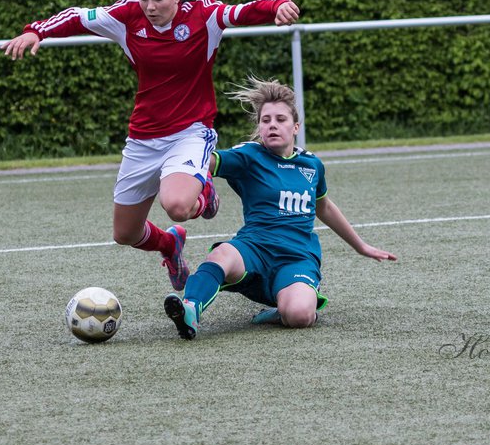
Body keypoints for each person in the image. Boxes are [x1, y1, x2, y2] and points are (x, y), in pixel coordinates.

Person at [3, 0, 299, 289]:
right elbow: (76, 16)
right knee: (125, 233)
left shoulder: (205, 15)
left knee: (176, 205)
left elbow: (244, 11)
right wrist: (36, 31)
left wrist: (279, 5)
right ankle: (169, 245)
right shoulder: (127, 16)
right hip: (143, 138)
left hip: (191, 131)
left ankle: (202, 190)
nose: (149, 6)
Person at [163, 76, 396, 339]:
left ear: (295, 127)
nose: (272, 125)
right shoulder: (248, 156)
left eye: (280, 120)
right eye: (266, 120)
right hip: (254, 249)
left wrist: (361, 246)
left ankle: (281, 311)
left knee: (299, 315)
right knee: (222, 254)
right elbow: (205, 162)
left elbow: (325, 207)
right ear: (259, 127)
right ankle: (190, 310)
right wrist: (197, 186)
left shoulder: (312, 165)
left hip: (297, 257)